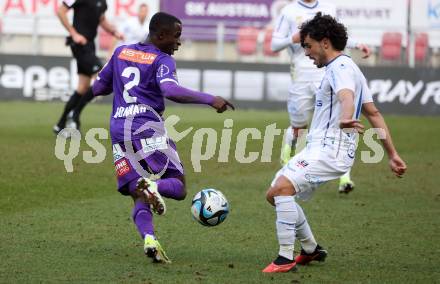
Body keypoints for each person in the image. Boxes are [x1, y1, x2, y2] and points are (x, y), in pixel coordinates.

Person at [263, 13, 407, 273]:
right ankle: (310, 249)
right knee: (274, 193)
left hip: (331, 150)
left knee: (281, 190)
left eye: (308, 45)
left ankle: (285, 258)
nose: (306, 52)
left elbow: (346, 96)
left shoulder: (340, 68)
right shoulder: (349, 67)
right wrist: (392, 154)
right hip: (320, 148)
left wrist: (345, 117)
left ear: (325, 42)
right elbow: (374, 113)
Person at [92, 12, 234, 263]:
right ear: (160, 35)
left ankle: (149, 239)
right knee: (178, 186)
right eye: (176, 37)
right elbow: (170, 90)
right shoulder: (162, 59)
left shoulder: (121, 52)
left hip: (118, 130)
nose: (178, 43)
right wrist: (211, 99)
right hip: (146, 128)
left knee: (139, 193)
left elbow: (98, 88)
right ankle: (154, 186)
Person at [272, 0, 371, 193]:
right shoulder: (289, 11)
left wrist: (357, 44)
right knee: (299, 126)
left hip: (326, 74)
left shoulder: (329, 8)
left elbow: (336, 37)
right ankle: (286, 159)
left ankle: (345, 178)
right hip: (300, 75)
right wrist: (293, 38)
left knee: (340, 122)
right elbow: (274, 44)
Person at [53, 0, 124, 134]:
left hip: (89, 46)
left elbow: (102, 20)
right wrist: (74, 34)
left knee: (83, 87)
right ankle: (75, 114)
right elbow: (60, 11)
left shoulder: (102, 2)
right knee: (102, 76)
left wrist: (114, 32)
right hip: (79, 44)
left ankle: (60, 124)